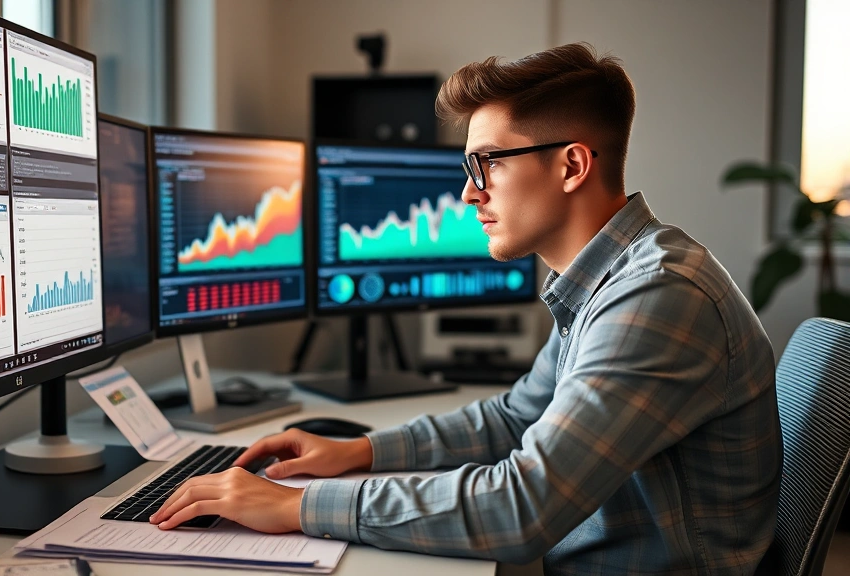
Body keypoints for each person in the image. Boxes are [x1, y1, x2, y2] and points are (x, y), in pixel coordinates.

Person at [149, 42, 782, 574]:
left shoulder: (658, 296)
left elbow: (523, 507)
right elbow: (513, 420)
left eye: (485, 164)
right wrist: (359, 452)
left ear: (572, 165)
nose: (466, 191)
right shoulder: (610, 281)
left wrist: (294, 507)